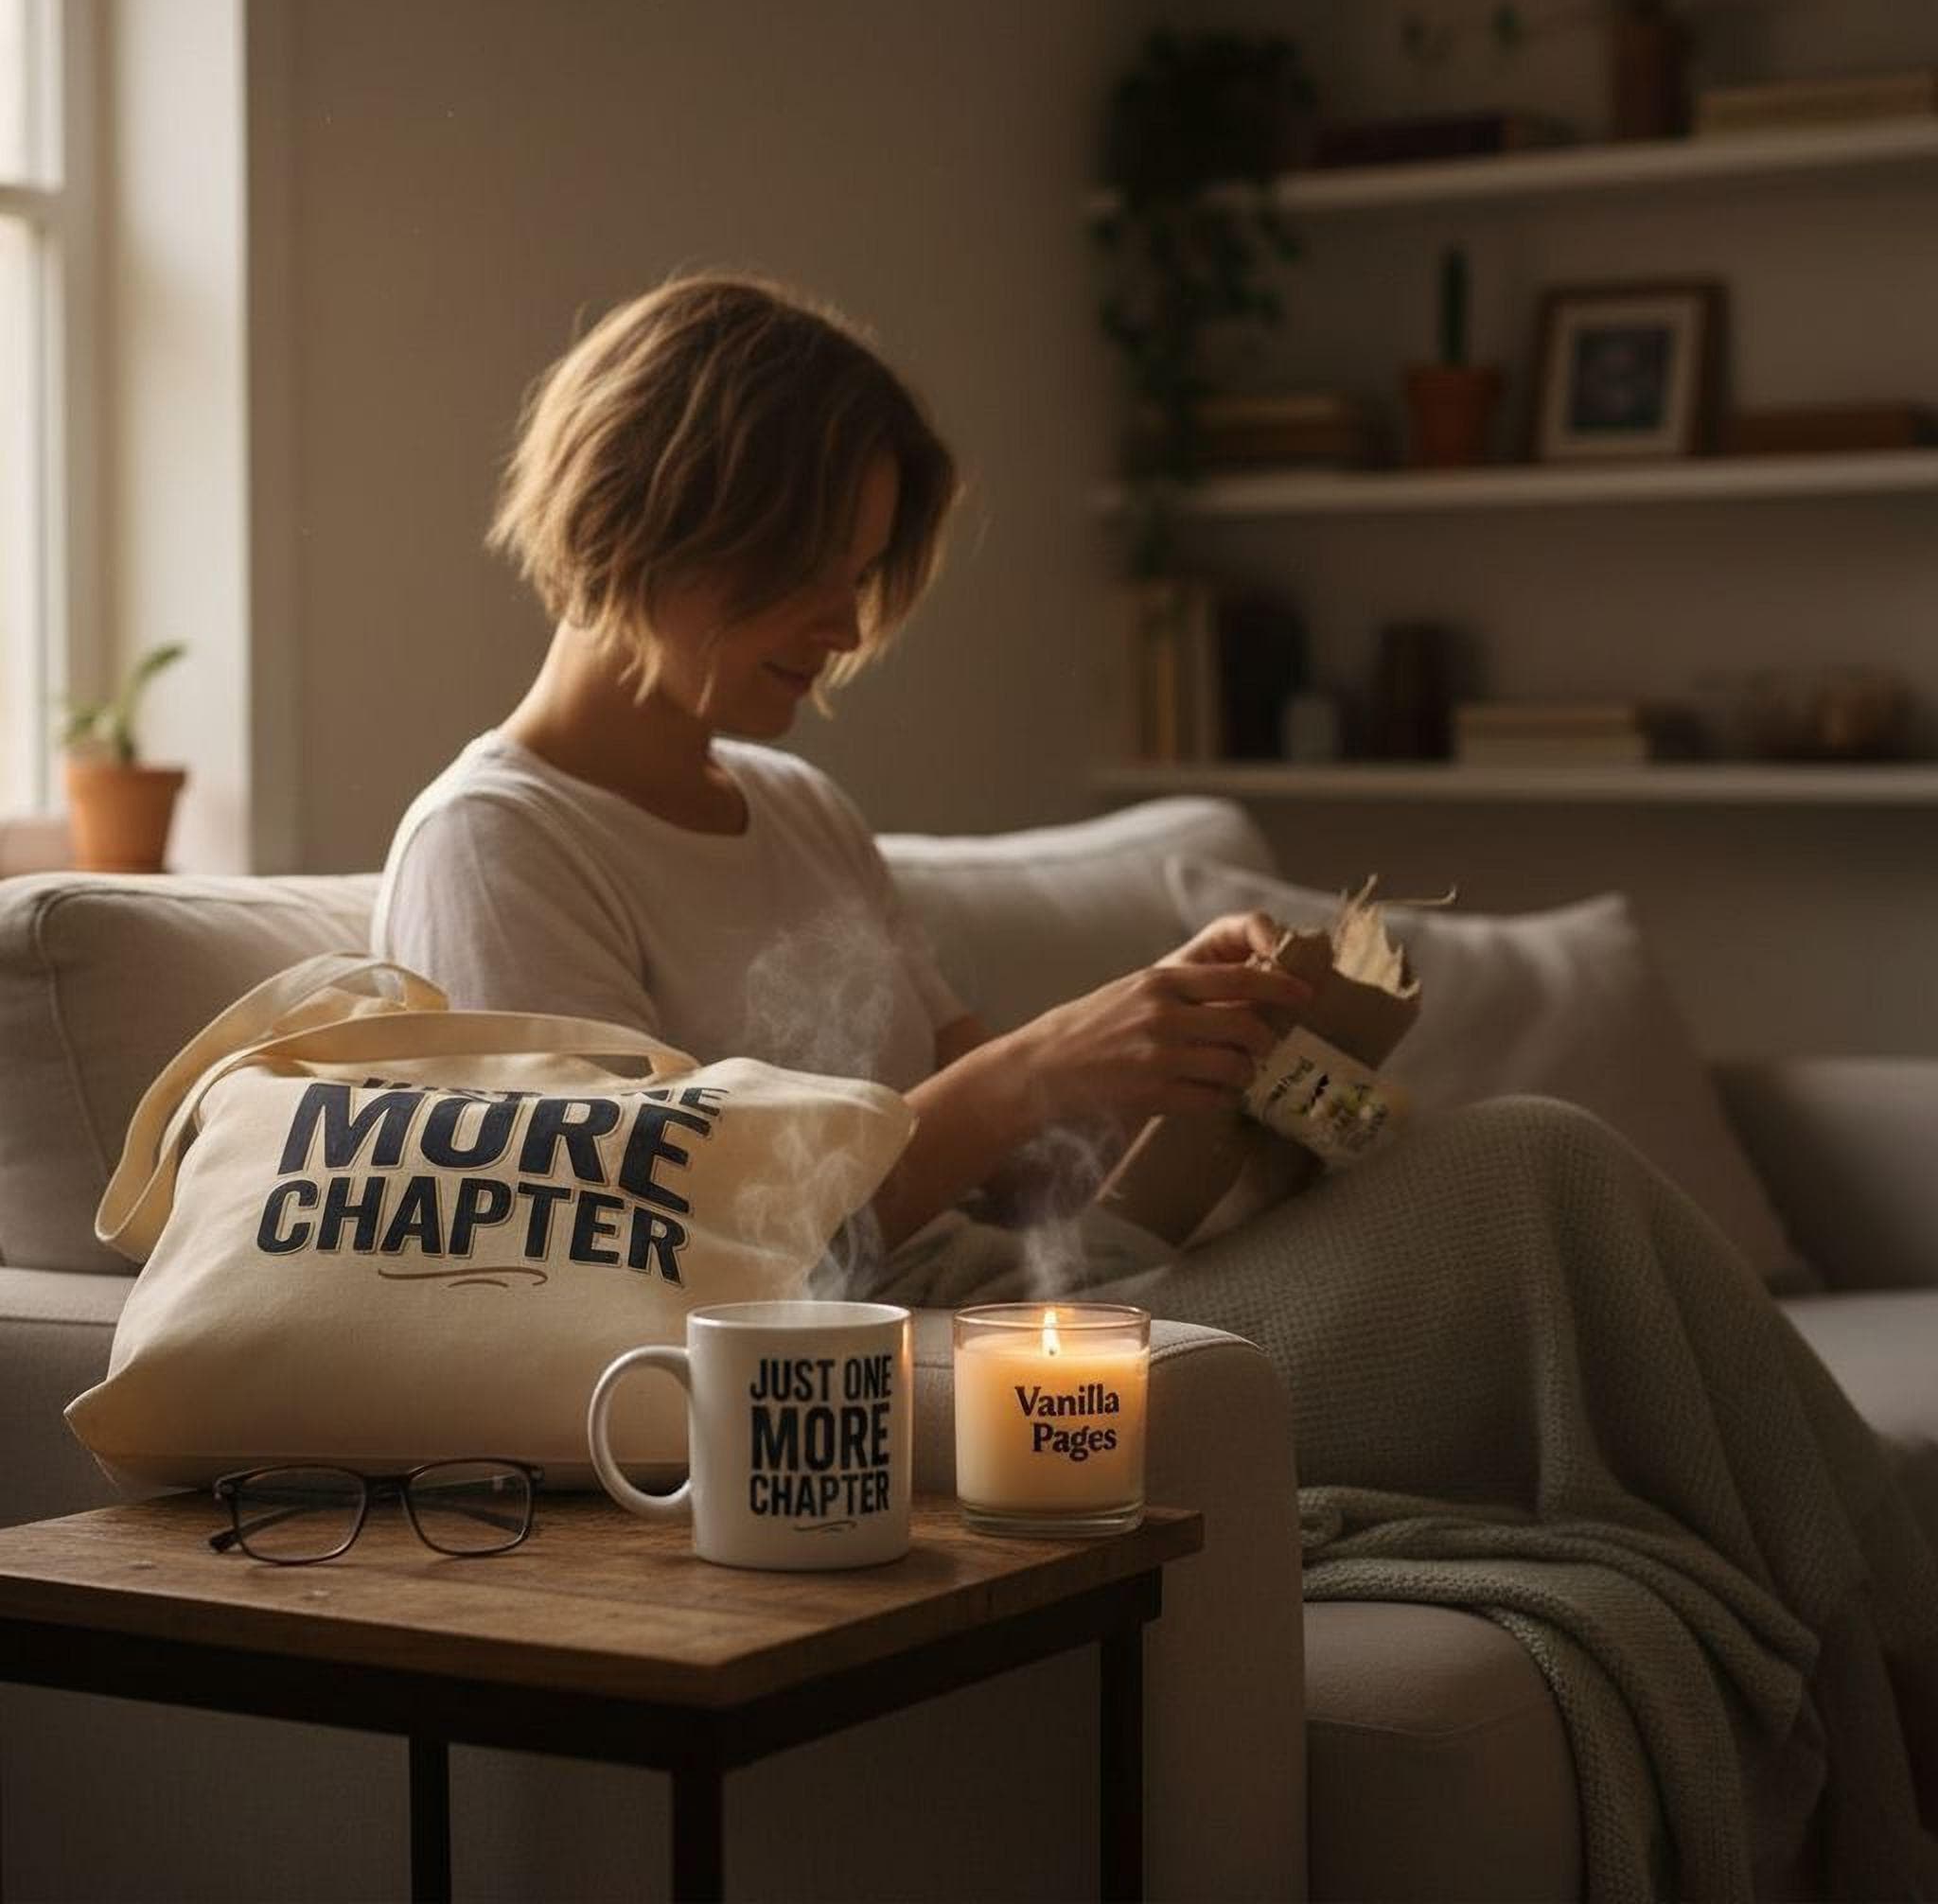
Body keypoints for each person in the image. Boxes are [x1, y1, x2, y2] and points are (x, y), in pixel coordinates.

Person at [376, 271, 1936, 1899]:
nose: (844, 626)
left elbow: (1013, 1175)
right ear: (653, 509)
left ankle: (1891, 1683)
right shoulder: (501, 844)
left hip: (1048, 1310)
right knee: (1540, 1177)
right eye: (808, 570)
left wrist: (1186, 1050)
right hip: (883, 1397)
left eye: (862, 574)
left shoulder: (799, 808)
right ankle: (1907, 1693)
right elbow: (652, 1260)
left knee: (1545, 1168)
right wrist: (1036, 1064)